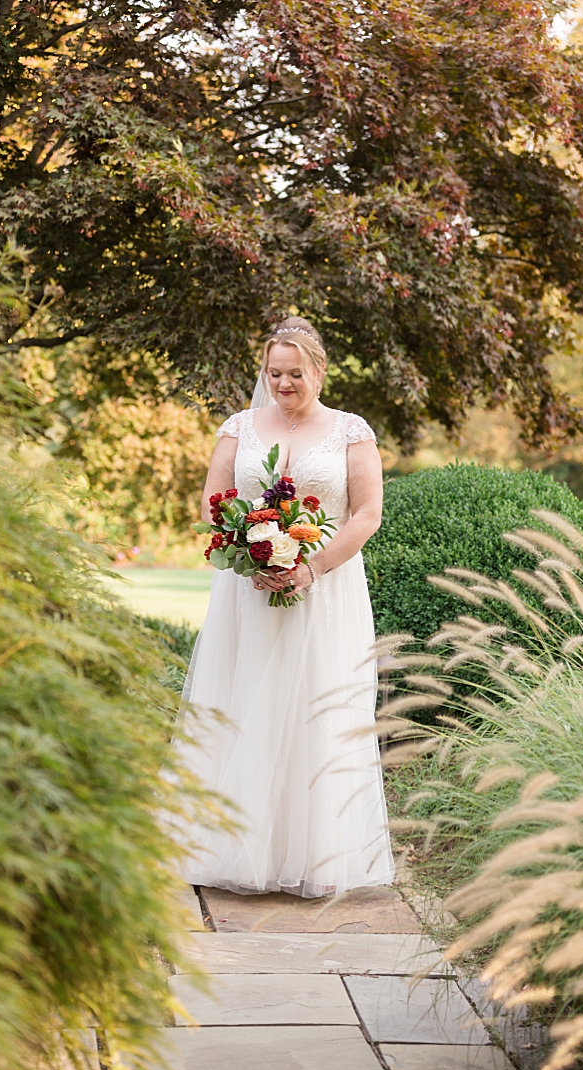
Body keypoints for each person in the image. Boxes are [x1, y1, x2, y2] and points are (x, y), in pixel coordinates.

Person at [175, 317, 395, 898]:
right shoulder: (239, 426)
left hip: (326, 589)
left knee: (313, 709)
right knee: (245, 703)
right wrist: (251, 552)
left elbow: (366, 515)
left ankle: (313, 856)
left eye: (295, 373)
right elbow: (215, 501)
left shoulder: (351, 432)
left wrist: (309, 566)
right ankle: (236, 849)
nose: (283, 384)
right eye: (274, 373)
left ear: (318, 370)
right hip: (248, 590)